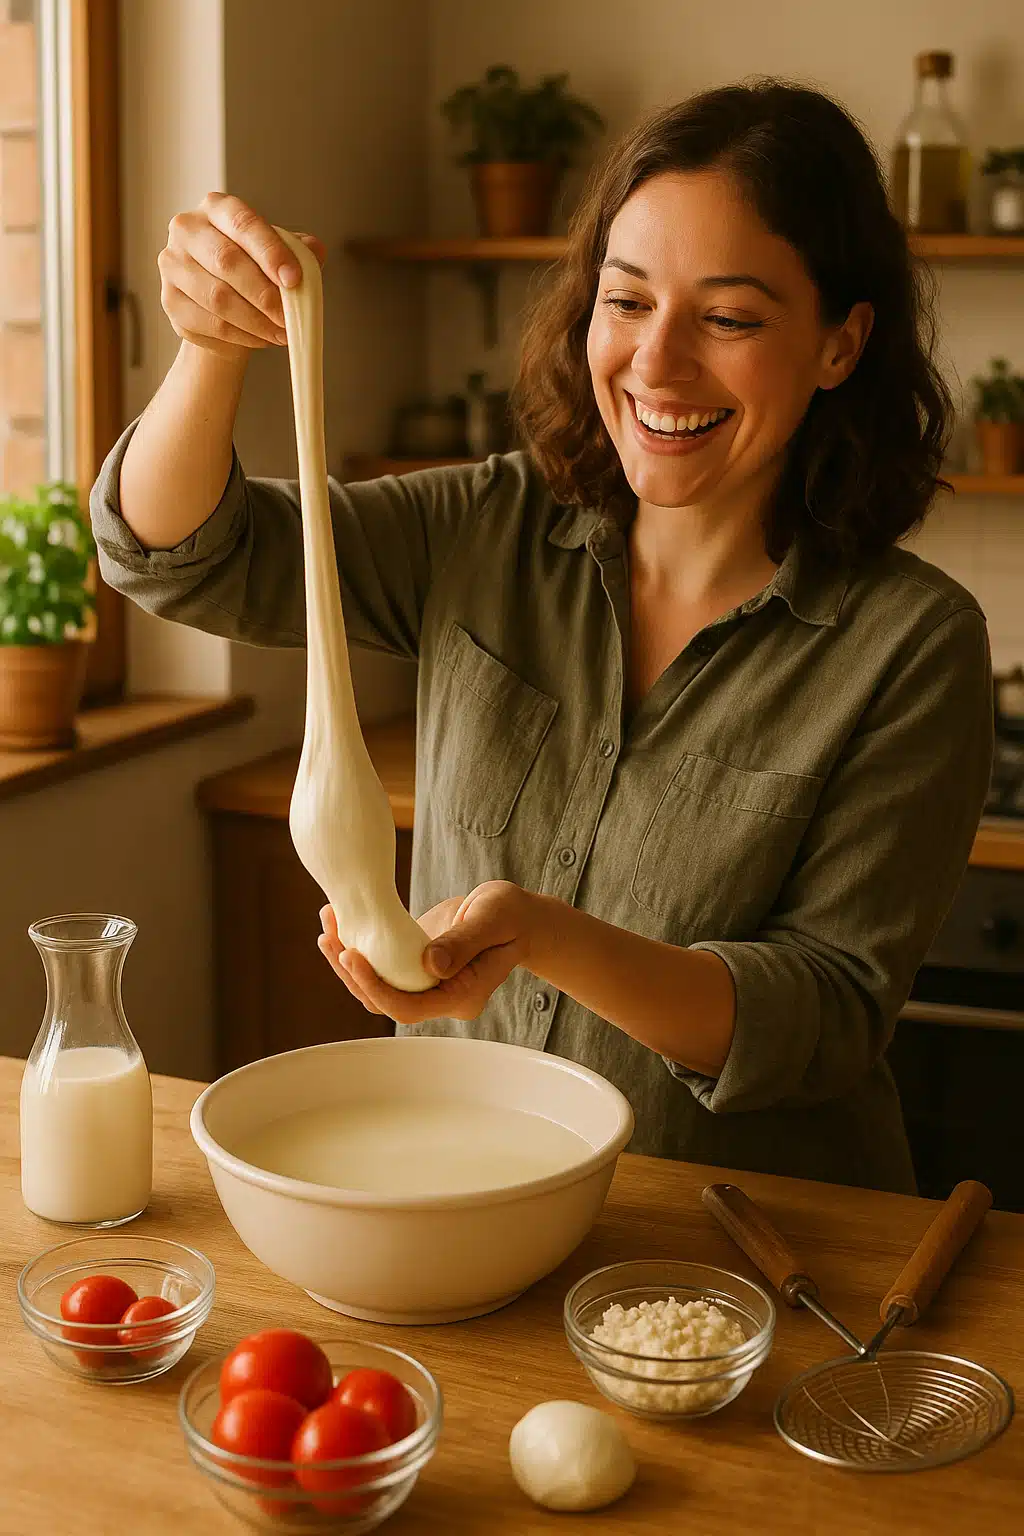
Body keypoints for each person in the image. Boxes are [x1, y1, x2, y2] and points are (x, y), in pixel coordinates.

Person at [92, 81, 992, 1192]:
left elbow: (822, 1014)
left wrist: (553, 939)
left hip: (743, 1246)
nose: (657, 365)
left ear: (839, 344)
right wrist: (208, 348)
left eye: (729, 318)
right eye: (626, 302)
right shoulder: (485, 525)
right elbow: (184, 556)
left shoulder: (913, 647)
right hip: (457, 1197)